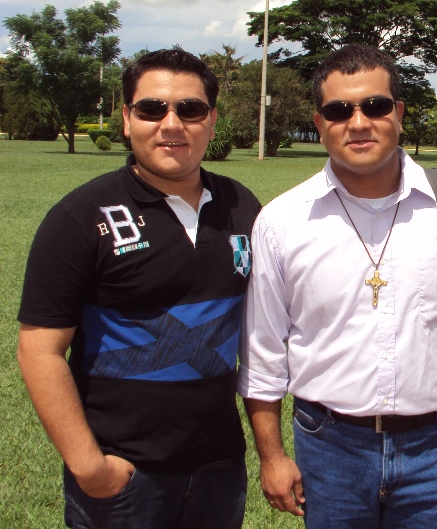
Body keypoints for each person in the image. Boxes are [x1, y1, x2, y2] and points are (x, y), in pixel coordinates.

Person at [238, 43, 437, 527]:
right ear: (320, 122)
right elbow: (263, 350)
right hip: (328, 449)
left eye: (376, 105)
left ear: (399, 113)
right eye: (339, 110)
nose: (359, 122)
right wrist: (271, 455)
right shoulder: (282, 221)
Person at [17, 47, 261, 529]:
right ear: (127, 119)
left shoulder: (241, 206)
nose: (172, 123)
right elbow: (39, 351)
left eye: (190, 109)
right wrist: (91, 467)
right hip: (125, 477)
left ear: (211, 121)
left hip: (220, 468)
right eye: (152, 109)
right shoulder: (80, 217)